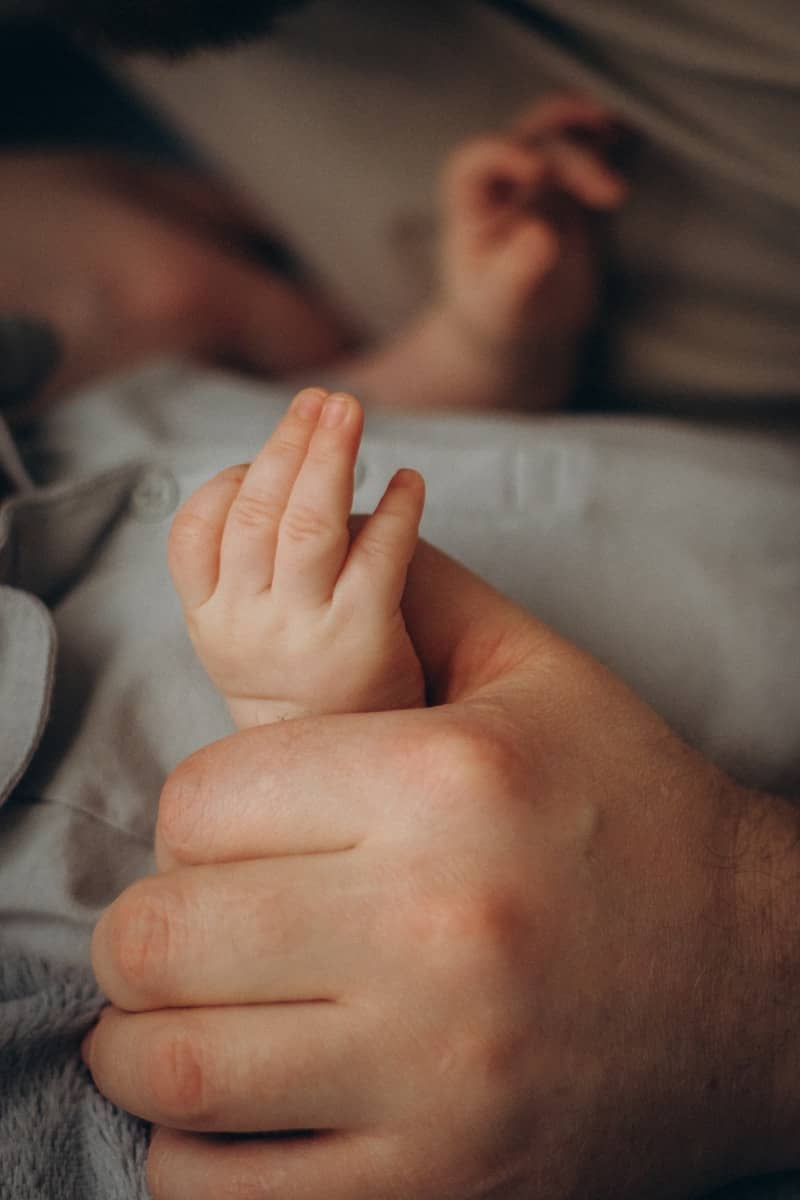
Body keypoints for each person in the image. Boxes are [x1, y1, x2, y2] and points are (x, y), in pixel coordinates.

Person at [1, 5, 798, 1200]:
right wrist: (314, 714)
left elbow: (289, 429)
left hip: (741, 489)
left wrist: (477, 349)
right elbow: (374, 957)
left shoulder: (40, 439)